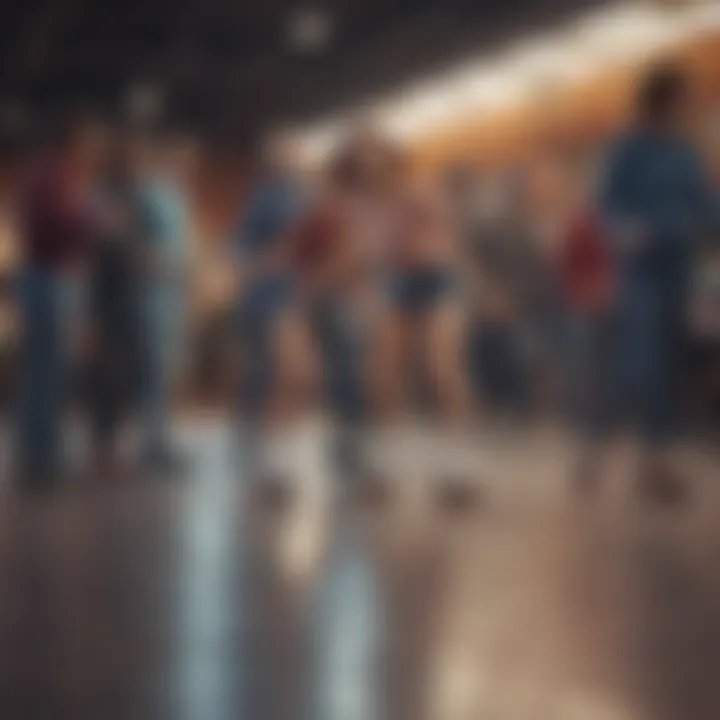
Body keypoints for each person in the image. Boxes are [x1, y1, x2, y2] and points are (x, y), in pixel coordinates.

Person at [600, 63, 720, 502]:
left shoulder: (687, 154)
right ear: (663, 101)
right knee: (644, 364)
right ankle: (638, 455)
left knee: (681, 363)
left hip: (687, 270)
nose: (694, 106)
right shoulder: (629, 151)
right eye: (687, 97)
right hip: (643, 273)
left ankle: (655, 457)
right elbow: (610, 208)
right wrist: (631, 234)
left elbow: (707, 208)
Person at [368, 158, 479, 505]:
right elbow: (378, 253)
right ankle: (386, 467)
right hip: (400, 281)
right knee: (383, 372)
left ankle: (459, 467)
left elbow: (447, 242)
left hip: (439, 278)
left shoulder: (423, 192)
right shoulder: (372, 206)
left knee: (441, 365)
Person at [16, 116, 104, 487]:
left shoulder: (47, 177)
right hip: (52, 279)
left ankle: (39, 455)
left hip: (46, 278)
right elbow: (62, 225)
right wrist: (95, 221)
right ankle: (43, 459)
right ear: (74, 143)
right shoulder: (57, 179)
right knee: (49, 373)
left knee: (44, 372)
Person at [234, 135, 312, 496]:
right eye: (283, 153)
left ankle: (282, 460)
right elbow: (244, 254)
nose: (291, 159)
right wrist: (274, 258)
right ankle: (274, 464)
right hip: (272, 296)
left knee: (297, 376)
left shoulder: (308, 195)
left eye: (294, 152)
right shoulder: (263, 199)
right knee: (285, 373)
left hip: (304, 296)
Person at [136, 131, 196, 476]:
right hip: (154, 292)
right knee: (155, 369)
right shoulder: (147, 195)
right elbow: (140, 243)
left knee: (169, 368)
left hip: (174, 292)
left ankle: (163, 439)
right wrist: (161, 266)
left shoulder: (177, 196)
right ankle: (153, 443)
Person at [85, 135, 143, 478]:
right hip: (105, 298)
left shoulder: (130, 198)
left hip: (126, 296)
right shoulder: (102, 198)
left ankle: (112, 447)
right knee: (106, 376)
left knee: (123, 376)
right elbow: (105, 245)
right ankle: (102, 450)